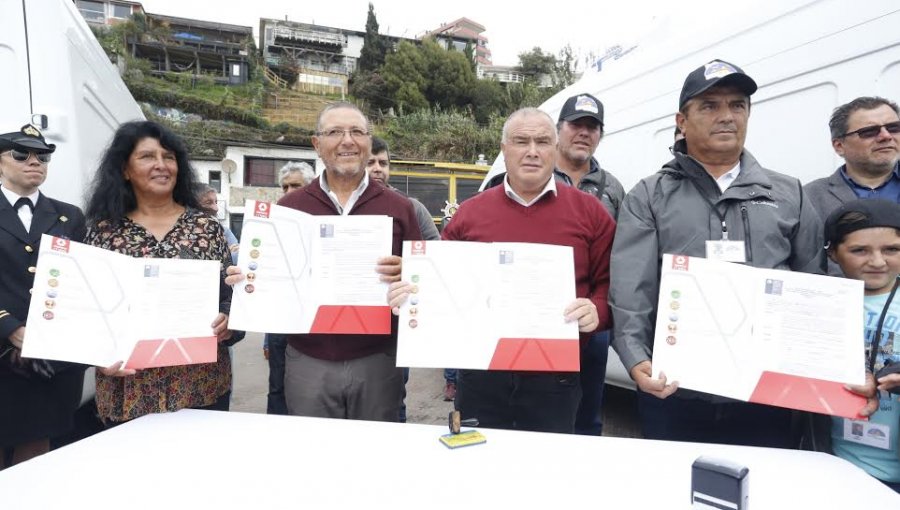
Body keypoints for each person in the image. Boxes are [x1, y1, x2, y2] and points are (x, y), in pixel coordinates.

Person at [609, 59, 825, 447]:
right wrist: (636, 359)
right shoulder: (650, 195)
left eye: (737, 105)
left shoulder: (789, 193)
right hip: (676, 392)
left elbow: (812, 284)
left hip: (764, 395)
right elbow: (631, 290)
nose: (726, 116)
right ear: (682, 120)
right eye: (709, 106)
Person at [390, 108, 614, 433]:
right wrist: (409, 292)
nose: (532, 151)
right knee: (477, 464)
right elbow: (441, 285)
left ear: (555, 148)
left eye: (542, 141)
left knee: (545, 467)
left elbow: (611, 284)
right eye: (521, 141)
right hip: (481, 374)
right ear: (504, 148)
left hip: (555, 377)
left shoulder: (590, 212)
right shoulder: (469, 214)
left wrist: (599, 310)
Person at [227, 102, 422, 422]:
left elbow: (422, 278)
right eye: (335, 132)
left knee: (376, 451)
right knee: (312, 453)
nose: (347, 140)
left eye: (357, 132)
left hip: (377, 359)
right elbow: (271, 276)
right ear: (317, 144)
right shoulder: (289, 208)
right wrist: (250, 276)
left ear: (369, 142)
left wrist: (409, 272)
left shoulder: (399, 208)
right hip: (308, 358)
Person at [82, 120, 234, 425]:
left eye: (168, 157)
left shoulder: (206, 227)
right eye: (147, 156)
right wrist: (96, 357)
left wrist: (230, 322)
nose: (161, 165)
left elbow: (229, 297)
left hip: (200, 385)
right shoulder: (103, 233)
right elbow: (86, 310)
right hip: (129, 388)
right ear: (124, 169)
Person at [0, 125, 87, 468]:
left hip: (52, 354)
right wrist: (10, 328)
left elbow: (82, 280)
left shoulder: (69, 215)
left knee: (37, 451)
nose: (34, 161)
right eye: (21, 155)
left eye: (43, 156)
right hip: (4, 349)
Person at [554, 93, 625, 436]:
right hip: (540, 313)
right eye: (576, 124)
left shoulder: (613, 188)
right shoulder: (537, 174)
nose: (584, 132)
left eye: (592, 127)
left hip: (592, 319)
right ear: (559, 129)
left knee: (589, 409)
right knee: (541, 406)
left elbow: (622, 253)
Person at [823, 199, 900, 493]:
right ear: (832, 253)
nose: (878, 261)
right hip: (836, 459)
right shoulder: (816, 302)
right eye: (859, 250)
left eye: (891, 249)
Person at [365, 136, 438, 422]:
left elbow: (436, 251)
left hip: (398, 325)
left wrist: (409, 267)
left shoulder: (411, 207)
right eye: (371, 162)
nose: (378, 168)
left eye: (383, 163)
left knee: (394, 398)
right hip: (351, 322)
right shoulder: (341, 208)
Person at [805, 96, 900, 274]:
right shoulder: (809, 197)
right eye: (869, 131)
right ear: (839, 146)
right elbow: (806, 262)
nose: (886, 136)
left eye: (894, 128)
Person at [263, 161, 315, 415]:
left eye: (295, 185)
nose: (288, 191)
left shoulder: (321, 224)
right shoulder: (270, 225)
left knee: (307, 389)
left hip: (312, 323)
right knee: (277, 386)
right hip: (279, 320)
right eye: (284, 186)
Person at [197, 184, 240, 263]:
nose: (216, 208)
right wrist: (225, 254)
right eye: (208, 202)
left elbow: (239, 256)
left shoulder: (224, 231)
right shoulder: (178, 234)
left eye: (216, 202)